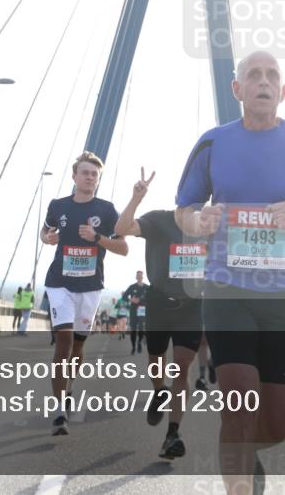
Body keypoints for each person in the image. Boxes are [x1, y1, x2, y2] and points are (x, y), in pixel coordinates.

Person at [175, 51, 285, 495]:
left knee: (277, 421)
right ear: (238, 90)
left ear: (283, 92)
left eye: (272, 76)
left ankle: (247, 457)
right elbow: (184, 209)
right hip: (227, 291)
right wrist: (198, 222)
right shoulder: (213, 143)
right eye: (254, 75)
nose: (263, 82)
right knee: (238, 403)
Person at [115, 167, 206, 460]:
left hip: (192, 306)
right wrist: (135, 199)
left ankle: (172, 434)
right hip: (158, 302)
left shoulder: (211, 226)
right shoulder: (158, 220)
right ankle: (158, 391)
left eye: (200, 199)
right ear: (179, 197)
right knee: (157, 361)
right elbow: (122, 229)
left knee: (181, 367)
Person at [40, 151, 128, 436]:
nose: (90, 177)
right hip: (59, 283)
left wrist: (97, 238)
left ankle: (69, 384)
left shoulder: (106, 210)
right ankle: (59, 409)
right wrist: (47, 238)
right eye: (85, 172)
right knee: (63, 343)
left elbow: (123, 247)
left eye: (94, 174)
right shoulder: (58, 205)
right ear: (75, 176)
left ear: (98, 180)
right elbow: (45, 231)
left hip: (90, 287)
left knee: (78, 347)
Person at [123, 270, 149, 354]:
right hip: (133, 309)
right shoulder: (132, 287)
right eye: (138, 276)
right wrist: (131, 299)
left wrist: (142, 300)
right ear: (136, 277)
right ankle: (133, 346)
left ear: (142, 277)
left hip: (142, 309)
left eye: (141, 276)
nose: (139, 277)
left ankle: (139, 342)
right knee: (133, 329)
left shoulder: (147, 287)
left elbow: (151, 298)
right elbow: (124, 296)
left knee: (141, 327)